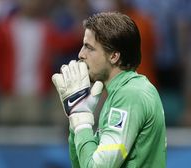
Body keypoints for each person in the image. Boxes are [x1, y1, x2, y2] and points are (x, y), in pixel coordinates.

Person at [52, 12, 166, 167]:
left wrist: (82, 121)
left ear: (114, 56)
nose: (80, 54)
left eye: (89, 48)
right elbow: (83, 164)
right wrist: (75, 121)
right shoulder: (119, 92)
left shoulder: (130, 94)